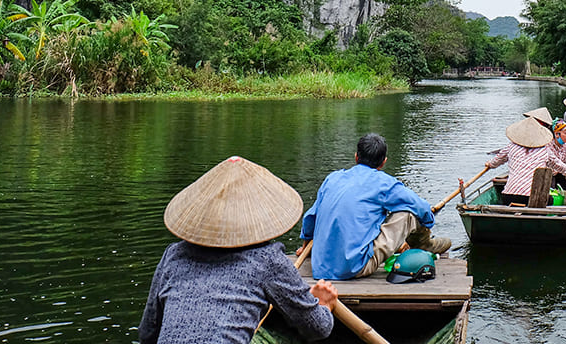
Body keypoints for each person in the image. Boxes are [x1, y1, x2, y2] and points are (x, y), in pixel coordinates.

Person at [138, 155, 337, 344]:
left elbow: (148, 333)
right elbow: (318, 327)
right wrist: (323, 304)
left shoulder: (173, 255)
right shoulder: (267, 259)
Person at [299, 133, 451, 281]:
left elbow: (310, 218)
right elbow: (421, 208)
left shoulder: (332, 178)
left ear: (356, 157)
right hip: (354, 268)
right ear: (383, 162)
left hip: (319, 267)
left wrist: (305, 246)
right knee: (408, 214)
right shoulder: (384, 183)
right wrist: (428, 222)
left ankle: (417, 244)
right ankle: (425, 245)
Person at [484, 117, 566, 205]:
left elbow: (496, 161)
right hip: (534, 198)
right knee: (550, 200)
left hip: (508, 196)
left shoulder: (511, 147)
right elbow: (559, 165)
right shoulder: (544, 150)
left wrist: (490, 164)